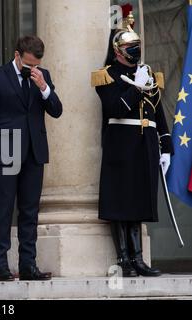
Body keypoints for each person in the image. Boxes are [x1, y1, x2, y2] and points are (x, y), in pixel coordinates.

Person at [92, 14, 172, 277]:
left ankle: (138, 259)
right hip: (121, 143)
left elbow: (157, 111)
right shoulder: (107, 76)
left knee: (138, 200)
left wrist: (166, 143)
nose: (135, 52)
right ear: (118, 51)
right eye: (130, 48)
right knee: (121, 201)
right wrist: (136, 87)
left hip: (144, 143)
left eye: (136, 47)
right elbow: (114, 107)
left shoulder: (147, 74)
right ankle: (124, 259)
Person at [0, 36, 63, 281]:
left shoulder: (42, 75)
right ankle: (1, 265)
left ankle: (28, 265)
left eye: (35, 64)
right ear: (17, 55)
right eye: (27, 65)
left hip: (34, 154)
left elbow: (56, 110)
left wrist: (44, 88)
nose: (31, 69)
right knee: (3, 210)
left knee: (29, 212)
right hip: (5, 154)